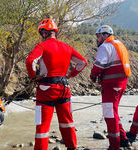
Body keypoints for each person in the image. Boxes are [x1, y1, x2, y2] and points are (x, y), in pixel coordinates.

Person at [26, 18, 87, 150]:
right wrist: (70, 75)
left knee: (42, 126)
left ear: (44, 33)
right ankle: (72, 147)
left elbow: (30, 61)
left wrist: (33, 77)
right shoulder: (67, 47)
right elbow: (82, 62)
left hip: (46, 90)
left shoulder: (42, 46)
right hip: (64, 88)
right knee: (67, 122)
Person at [90, 25, 132, 150]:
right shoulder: (119, 44)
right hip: (121, 84)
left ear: (105, 35)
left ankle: (114, 145)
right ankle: (123, 140)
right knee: (114, 112)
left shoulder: (105, 46)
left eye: (98, 36)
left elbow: (99, 65)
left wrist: (93, 75)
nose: (97, 39)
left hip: (111, 85)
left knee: (109, 114)